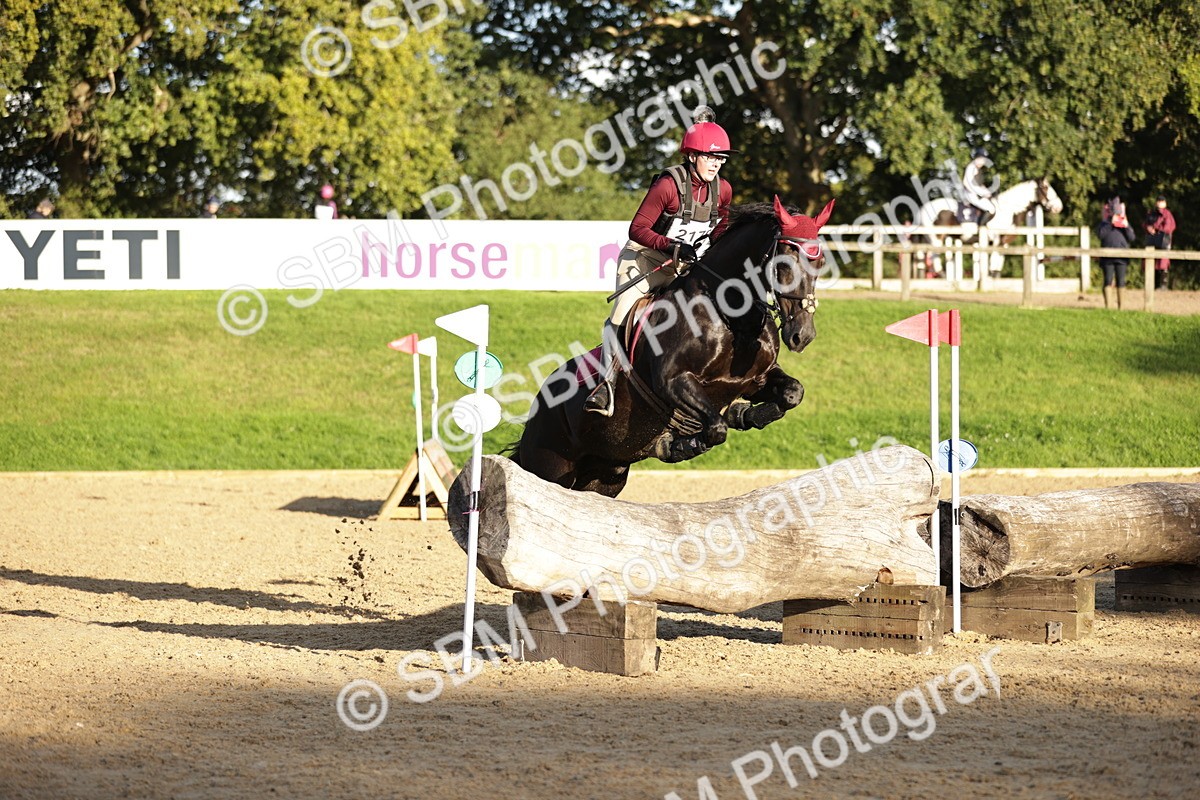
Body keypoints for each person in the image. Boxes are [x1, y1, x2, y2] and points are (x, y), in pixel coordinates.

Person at [584, 106, 734, 416]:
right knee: (621, 315)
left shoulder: (724, 191)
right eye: (710, 157)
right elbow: (637, 229)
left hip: (686, 265)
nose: (715, 165)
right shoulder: (668, 185)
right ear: (692, 156)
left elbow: (721, 228)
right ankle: (606, 385)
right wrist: (673, 246)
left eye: (720, 159)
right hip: (644, 259)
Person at [1097, 198, 1135, 309]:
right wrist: (1110, 223)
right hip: (1107, 256)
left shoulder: (1124, 223)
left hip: (1122, 256)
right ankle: (1108, 307)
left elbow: (1132, 237)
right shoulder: (1104, 224)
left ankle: (1121, 307)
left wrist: (1126, 226)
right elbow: (1100, 235)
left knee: (1121, 280)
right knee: (1108, 280)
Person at [1143, 195, 1176, 290]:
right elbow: (1145, 223)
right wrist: (1148, 228)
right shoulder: (1151, 213)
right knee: (1152, 262)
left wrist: (1156, 228)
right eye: (1158, 201)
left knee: (1163, 262)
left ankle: (1163, 285)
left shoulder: (1167, 214)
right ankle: (1153, 284)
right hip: (1153, 240)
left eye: (1162, 201)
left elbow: (1169, 227)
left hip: (1164, 241)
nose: (1159, 203)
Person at [962, 147, 996, 227]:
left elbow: (980, 185)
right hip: (970, 194)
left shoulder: (978, 170)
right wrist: (978, 193)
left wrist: (987, 192)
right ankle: (981, 228)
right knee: (991, 208)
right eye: (983, 159)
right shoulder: (971, 167)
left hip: (976, 194)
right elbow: (966, 183)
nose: (984, 162)